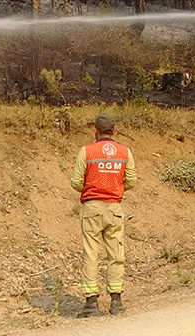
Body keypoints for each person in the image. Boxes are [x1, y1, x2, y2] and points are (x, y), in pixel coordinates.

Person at [70, 113, 137, 317]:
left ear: (95, 131)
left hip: (92, 208)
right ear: (114, 131)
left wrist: (91, 189)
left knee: (91, 253)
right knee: (116, 253)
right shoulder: (125, 152)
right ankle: (116, 303)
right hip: (114, 208)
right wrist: (115, 188)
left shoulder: (86, 151)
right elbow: (132, 181)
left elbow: (75, 181)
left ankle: (91, 305)